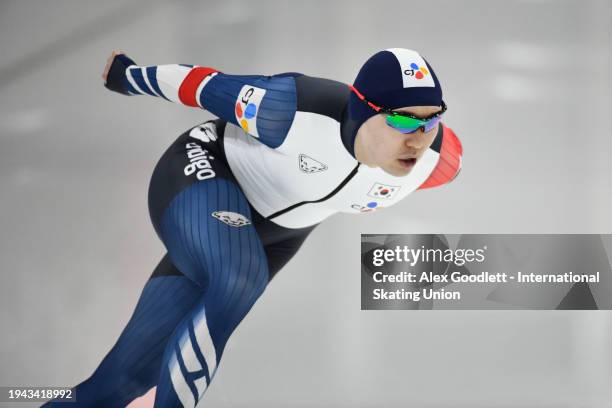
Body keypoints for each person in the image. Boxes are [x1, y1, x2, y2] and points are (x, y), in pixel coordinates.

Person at [43, 47, 462, 407]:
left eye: (431, 120)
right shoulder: (289, 109)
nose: (419, 138)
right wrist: (127, 76)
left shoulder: (436, 162)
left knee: (118, 384)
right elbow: (201, 84)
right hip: (203, 174)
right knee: (239, 278)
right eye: (405, 121)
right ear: (361, 109)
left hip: (274, 236)